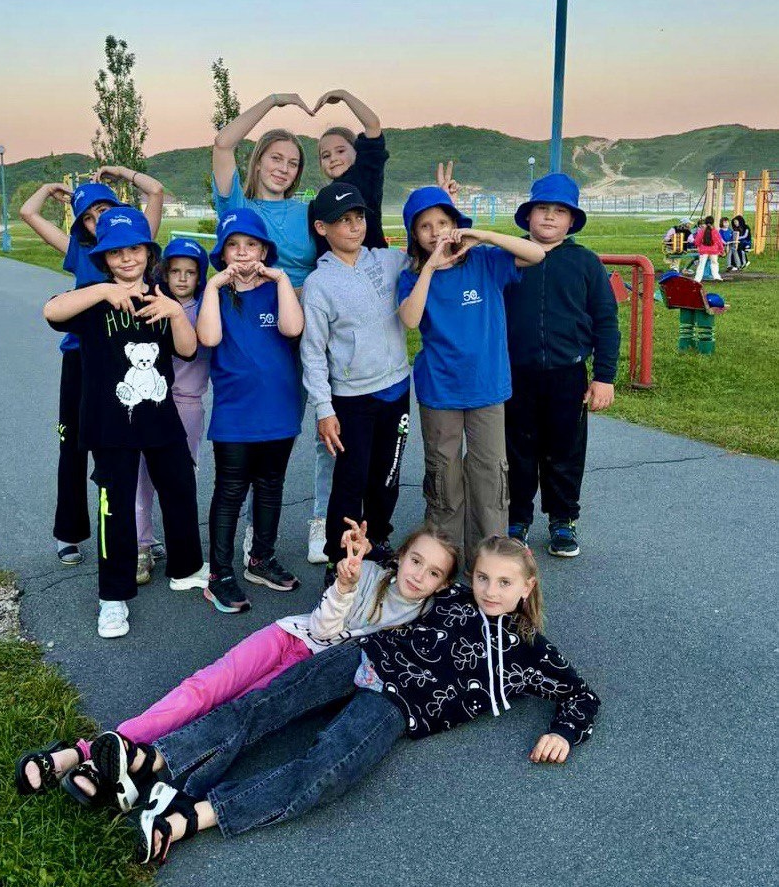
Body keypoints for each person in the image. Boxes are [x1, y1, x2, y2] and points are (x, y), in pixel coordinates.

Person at [99, 535, 598, 865]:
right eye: (483, 577)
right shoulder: (452, 596)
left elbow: (581, 695)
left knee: (327, 770)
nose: (490, 590)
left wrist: (563, 732)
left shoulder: (531, 652)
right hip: (364, 655)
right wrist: (363, 546)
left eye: (505, 582)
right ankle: (152, 759)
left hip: (396, 708)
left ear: (527, 587)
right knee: (265, 706)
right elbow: (404, 561)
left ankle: (186, 819)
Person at [13, 522, 460, 808]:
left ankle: (111, 765)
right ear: (401, 555)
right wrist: (344, 587)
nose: (418, 575)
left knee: (229, 718)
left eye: (433, 573)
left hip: (309, 676)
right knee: (202, 689)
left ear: (443, 585)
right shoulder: (367, 573)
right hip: (289, 637)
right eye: (416, 560)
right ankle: (85, 753)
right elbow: (322, 629)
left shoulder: (427, 617)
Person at [43, 206, 205, 638]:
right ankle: (112, 598)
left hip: (161, 417)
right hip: (109, 424)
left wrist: (175, 312)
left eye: (135, 249)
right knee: (114, 510)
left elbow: (188, 350)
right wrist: (101, 291)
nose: (127, 258)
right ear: (104, 258)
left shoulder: (161, 297)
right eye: (116, 252)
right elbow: (51, 312)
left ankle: (187, 567)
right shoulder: (93, 298)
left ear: (149, 253)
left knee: (180, 488)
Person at [20, 167, 165, 567]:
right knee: (73, 445)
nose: (97, 219)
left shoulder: (133, 242)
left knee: (130, 448)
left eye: (104, 209)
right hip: (81, 358)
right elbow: (29, 213)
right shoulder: (78, 250)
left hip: (126, 357)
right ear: (81, 225)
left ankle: (139, 533)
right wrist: (48, 188)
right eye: (88, 216)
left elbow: (155, 191)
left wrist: (120, 172)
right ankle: (69, 532)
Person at [212, 92, 330, 567]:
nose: (284, 168)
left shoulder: (307, 211)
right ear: (258, 161)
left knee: (319, 425)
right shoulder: (238, 206)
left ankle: (322, 521)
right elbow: (223, 144)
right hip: (257, 327)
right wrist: (274, 102)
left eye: (293, 162)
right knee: (261, 433)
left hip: (308, 325)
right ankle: (252, 532)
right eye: (276, 158)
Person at [397, 185, 544, 564]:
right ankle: (443, 562)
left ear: (456, 224)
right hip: (439, 390)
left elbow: (536, 253)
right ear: (414, 235)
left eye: (442, 222)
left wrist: (484, 235)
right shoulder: (412, 276)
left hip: (487, 388)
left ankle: (486, 562)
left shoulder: (485, 262)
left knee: (489, 475)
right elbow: (410, 319)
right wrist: (430, 268)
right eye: (425, 226)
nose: (435, 232)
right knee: (444, 476)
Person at [504, 173, 620, 558]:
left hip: (568, 375)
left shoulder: (585, 262)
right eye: (542, 208)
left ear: (572, 221)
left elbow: (606, 320)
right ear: (528, 215)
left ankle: (563, 519)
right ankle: (516, 519)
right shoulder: (508, 257)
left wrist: (604, 377)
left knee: (565, 450)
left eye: (560, 211)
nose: (550, 216)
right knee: (516, 449)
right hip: (515, 373)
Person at [301, 182, 411, 585]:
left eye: (359, 217)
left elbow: (428, 255)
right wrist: (324, 409)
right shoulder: (319, 284)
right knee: (351, 483)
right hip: (352, 401)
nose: (354, 226)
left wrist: (443, 207)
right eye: (343, 220)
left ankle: (376, 541)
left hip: (397, 391)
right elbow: (313, 352)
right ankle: (339, 559)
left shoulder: (388, 260)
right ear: (322, 227)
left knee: (387, 478)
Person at [196, 209, 304, 612]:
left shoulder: (277, 289)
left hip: (279, 411)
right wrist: (213, 286)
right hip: (235, 415)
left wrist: (281, 279)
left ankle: (261, 558)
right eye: (233, 245)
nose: (242, 252)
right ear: (223, 254)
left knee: (271, 486)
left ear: (263, 251)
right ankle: (220, 574)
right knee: (230, 492)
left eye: (251, 244)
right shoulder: (217, 294)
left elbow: (292, 328)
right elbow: (209, 337)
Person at [135, 237, 210, 585]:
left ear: (200, 276)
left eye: (190, 272)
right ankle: (141, 545)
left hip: (188, 405)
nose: (182, 278)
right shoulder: (152, 304)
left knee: (181, 482)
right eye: (175, 270)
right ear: (164, 272)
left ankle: (182, 549)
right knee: (142, 479)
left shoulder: (207, 308)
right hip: (151, 404)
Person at [310, 89, 389, 253]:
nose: (333, 158)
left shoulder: (365, 174)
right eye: (326, 155)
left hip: (375, 261)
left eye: (340, 151)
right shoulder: (322, 199)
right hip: (338, 266)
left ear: (357, 152)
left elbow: (373, 125)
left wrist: (344, 95)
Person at [693, 215, 724, 282]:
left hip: (703, 250)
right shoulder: (715, 231)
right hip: (714, 250)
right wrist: (721, 250)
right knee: (714, 263)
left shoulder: (702, 231)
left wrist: (698, 246)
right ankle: (716, 276)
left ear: (705, 222)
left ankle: (697, 279)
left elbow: (697, 240)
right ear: (713, 222)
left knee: (701, 265)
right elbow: (719, 241)